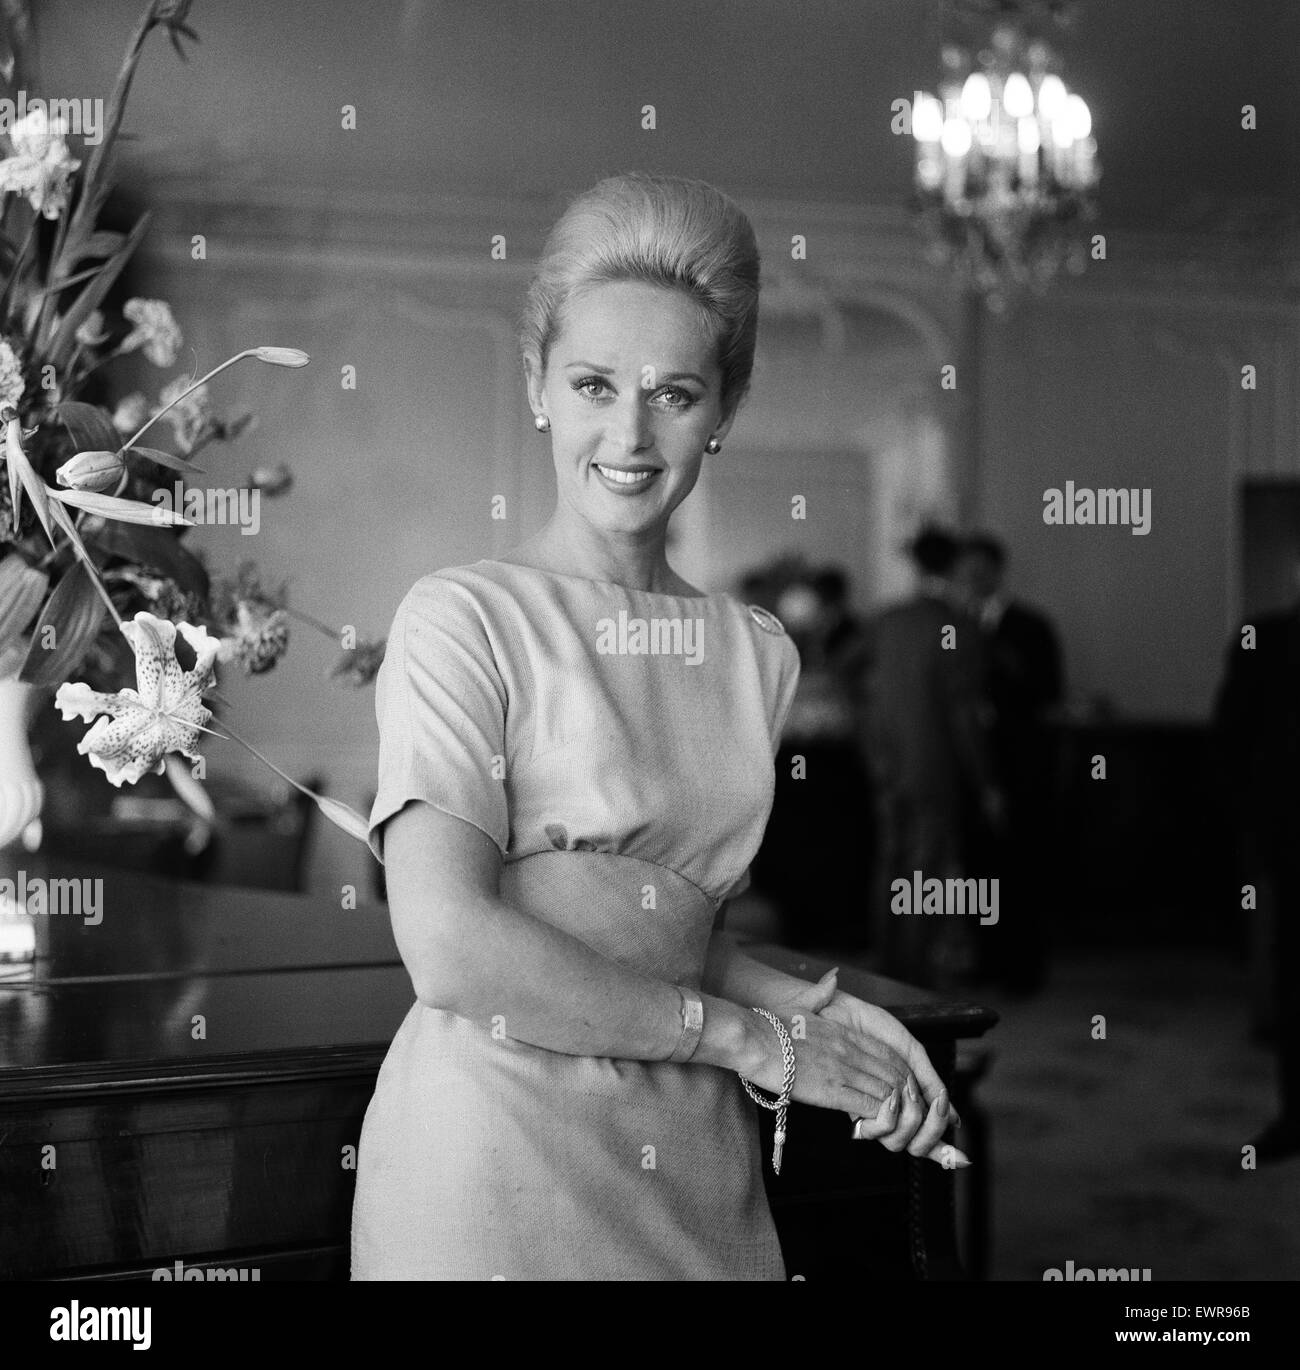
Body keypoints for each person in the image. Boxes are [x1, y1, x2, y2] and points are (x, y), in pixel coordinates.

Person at [350, 173, 966, 1280]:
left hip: (692, 1158)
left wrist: (832, 1018)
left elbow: (662, 927)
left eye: (673, 394)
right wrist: (760, 1042)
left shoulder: (755, 651)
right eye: (592, 383)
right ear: (536, 383)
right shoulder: (461, 618)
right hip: (489, 1153)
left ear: (723, 409)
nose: (628, 434)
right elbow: (448, 944)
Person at [864, 527, 1000, 989]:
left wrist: (870, 729)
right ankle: (912, 976)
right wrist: (987, 783)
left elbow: (849, 670)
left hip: (887, 762)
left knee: (891, 862)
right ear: (955, 566)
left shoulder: (888, 620)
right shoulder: (955, 626)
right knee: (924, 873)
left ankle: (888, 965)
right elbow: (965, 716)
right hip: (936, 767)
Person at [1213, 568, 1300, 1163]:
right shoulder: (1262, 639)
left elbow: (1229, 742)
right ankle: (1296, 1116)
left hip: (1281, 833)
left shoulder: (1263, 638)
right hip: (1285, 835)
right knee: (1293, 980)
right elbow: (1230, 742)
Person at [956, 532, 1064, 995]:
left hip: (1022, 768)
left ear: (998, 572)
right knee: (979, 869)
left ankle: (1024, 968)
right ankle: (988, 958)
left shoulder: (1031, 626)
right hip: (972, 770)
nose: (975, 579)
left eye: (983, 570)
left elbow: (1048, 692)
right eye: (968, 571)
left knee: (1022, 870)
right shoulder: (956, 625)